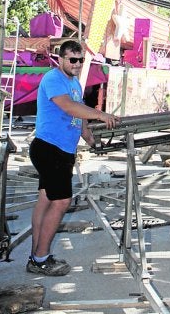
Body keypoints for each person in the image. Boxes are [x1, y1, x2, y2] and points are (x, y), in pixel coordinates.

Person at [27, 40, 119, 276]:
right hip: (50, 148)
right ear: (61, 59)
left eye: (80, 60)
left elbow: (79, 115)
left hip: (61, 150)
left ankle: (36, 255)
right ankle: (40, 259)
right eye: (72, 60)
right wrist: (101, 114)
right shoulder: (53, 79)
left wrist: (89, 137)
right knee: (61, 202)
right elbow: (68, 107)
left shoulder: (75, 83)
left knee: (46, 200)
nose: (77, 64)